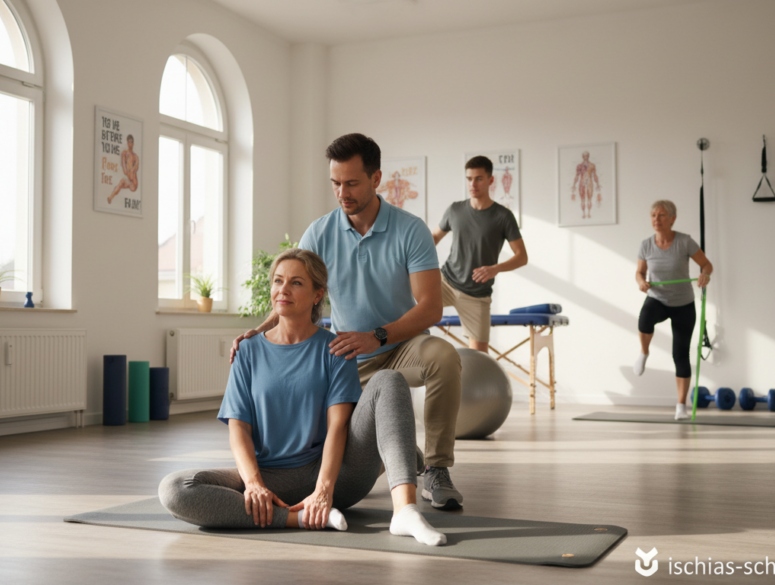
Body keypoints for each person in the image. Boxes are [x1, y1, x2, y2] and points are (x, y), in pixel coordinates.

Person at [230, 133, 465, 510]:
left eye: (352, 183)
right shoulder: (319, 232)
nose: (342, 193)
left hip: (400, 345)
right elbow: (289, 289)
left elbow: (431, 308)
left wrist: (378, 336)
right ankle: (402, 451)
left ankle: (436, 468)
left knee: (443, 356)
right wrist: (258, 332)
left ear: (376, 179)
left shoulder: (410, 230)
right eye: (336, 184)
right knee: (337, 435)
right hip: (344, 356)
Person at [160, 249, 445, 546]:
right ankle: (299, 518)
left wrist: (323, 491)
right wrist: (255, 485)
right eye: (278, 281)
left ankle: (405, 510)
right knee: (175, 488)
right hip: (272, 479)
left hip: (335, 477)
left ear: (317, 294)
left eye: (296, 283)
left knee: (389, 379)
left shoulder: (336, 348)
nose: (283, 289)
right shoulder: (247, 351)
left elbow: (338, 427)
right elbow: (238, 428)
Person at [431, 155, 527, 352]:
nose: (472, 184)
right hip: (446, 282)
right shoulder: (455, 210)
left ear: (491, 180)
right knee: (408, 315)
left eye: (478, 179)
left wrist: (495, 269)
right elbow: (433, 238)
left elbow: (521, 257)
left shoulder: (503, 216)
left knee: (479, 358)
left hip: (477, 295)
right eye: (469, 179)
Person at [634, 200, 714, 420]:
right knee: (644, 319)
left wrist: (705, 274)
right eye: (653, 216)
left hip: (683, 305)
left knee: (680, 355)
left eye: (661, 216)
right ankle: (644, 352)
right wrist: (641, 282)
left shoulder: (684, 242)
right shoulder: (646, 245)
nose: (656, 220)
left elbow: (707, 265)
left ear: (672, 219)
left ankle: (680, 406)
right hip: (658, 298)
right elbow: (639, 273)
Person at [108, 134, 139, 203]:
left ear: (133, 143)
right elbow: (124, 168)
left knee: (121, 183)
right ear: (127, 143)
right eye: (129, 142)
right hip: (129, 179)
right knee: (121, 183)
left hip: (134, 183)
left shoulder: (135, 156)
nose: (130, 144)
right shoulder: (124, 153)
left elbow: (135, 168)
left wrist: (131, 171)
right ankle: (111, 197)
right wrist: (128, 171)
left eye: (131, 142)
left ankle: (111, 196)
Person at [570, 151, 601, 219]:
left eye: (587, 156)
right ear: (583, 157)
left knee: (589, 199)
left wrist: (597, 184)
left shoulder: (592, 165)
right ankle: (583, 214)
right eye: (584, 156)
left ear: (588, 156)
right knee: (583, 199)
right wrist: (574, 185)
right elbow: (577, 175)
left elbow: (595, 175)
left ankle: (589, 213)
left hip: (590, 183)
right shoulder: (579, 166)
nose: (586, 157)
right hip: (582, 183)